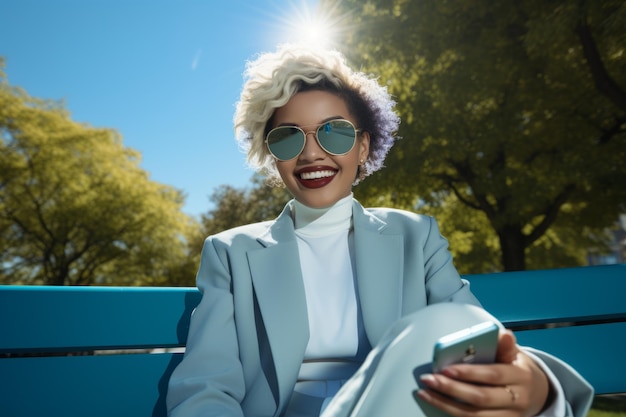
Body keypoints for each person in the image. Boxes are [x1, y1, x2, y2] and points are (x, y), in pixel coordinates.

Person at [166, 44, 593, 417]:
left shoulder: (417, 237)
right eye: (287, 138)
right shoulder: (231, 254)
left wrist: (537, 389)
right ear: (272, 157)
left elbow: (477, 338)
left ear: (364, 146)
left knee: (446, 322)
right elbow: (205, 386)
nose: (312, 153)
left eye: (334, 132)